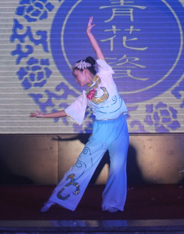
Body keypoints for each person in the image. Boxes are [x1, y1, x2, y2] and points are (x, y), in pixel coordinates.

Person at [30, 16, 129, 213]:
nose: (76, 79)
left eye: (76, 75)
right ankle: (57, 199)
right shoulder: (86, 96)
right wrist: (43, 116)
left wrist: (89, 33)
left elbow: (99, 53)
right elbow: (66, 112)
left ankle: (112, 204)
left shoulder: (104, 74)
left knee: (118, 168)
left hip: (120, 127)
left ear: (84, 71)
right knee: (82, 165)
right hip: (102, 130)